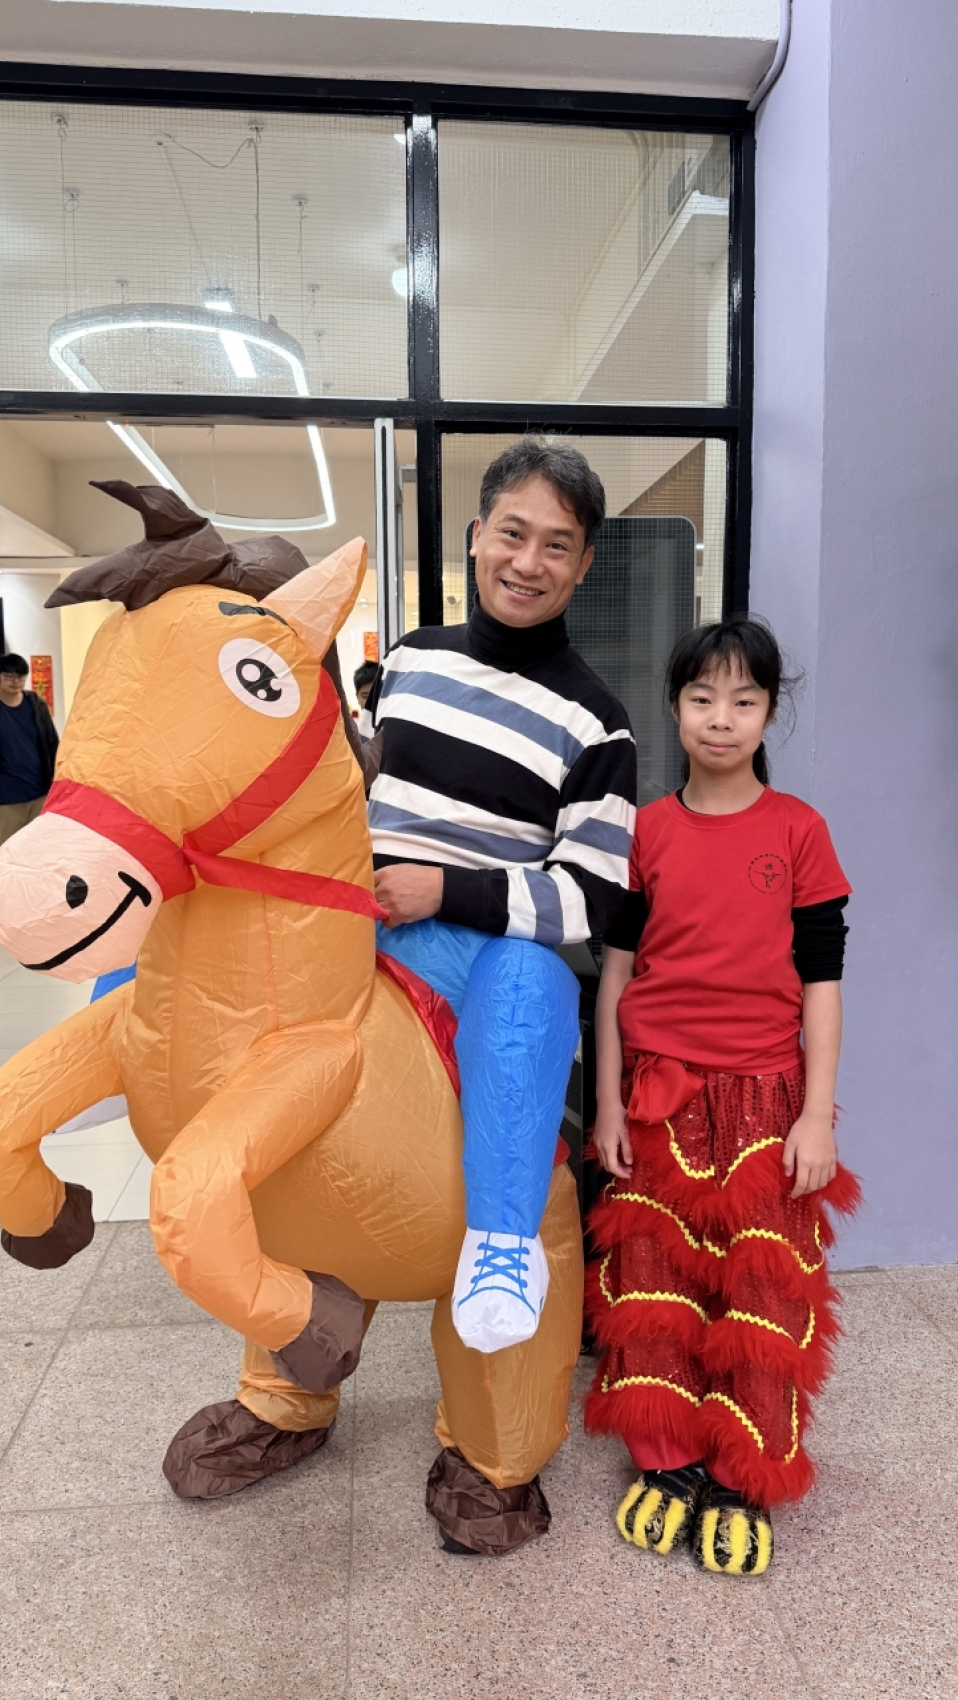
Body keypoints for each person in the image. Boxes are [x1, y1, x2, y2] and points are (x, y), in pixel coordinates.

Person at [585, 614, 860, 1576]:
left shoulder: (800, 832)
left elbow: (822, 985)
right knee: (654, 1282)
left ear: (769, 713)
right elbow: (615, 979)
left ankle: (744, 1478)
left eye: (744, 700)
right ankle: (664, 1462)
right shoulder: (645, 832)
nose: (720, 718)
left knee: (760, 1293)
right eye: (703, 697)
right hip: (657, 1095)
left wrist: (816, 1115)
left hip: (766, 1102)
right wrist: (608, 1105)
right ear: (675, 707)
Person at [367, 438, 636, 1353]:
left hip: (477, 962)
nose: (529, 562)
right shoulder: (410, 662)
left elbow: (590, 899)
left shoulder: (597, 724)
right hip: (361, 930)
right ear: (477, 535)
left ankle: (502, 1243)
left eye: (557, 545)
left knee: (535, 983)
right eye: (513, 534)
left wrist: (441, 890)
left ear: (584, 565)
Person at [0, 653, 59, 853]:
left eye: (20, 677)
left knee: (40, 851)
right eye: (9, 676)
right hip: (3, 795)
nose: (15, 682)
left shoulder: (36, 705)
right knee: (5, 851)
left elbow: (52, 743)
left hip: (39, 792)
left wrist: (57, 776)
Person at [353, 659, 379, 739]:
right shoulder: (353, 734)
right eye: (365, 696)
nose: (370, 702)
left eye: (375, 696)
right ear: (357, 697)